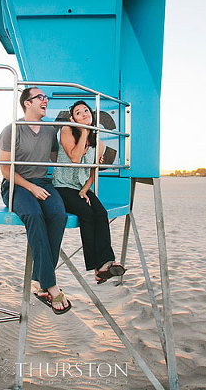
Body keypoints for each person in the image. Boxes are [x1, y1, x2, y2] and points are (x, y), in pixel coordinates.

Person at [0, 87, 71, 315]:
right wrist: (31, 187)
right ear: (27, 103)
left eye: (46, 97)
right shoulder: (12, 129)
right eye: (40, 97)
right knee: (34, 216)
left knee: (59, 214)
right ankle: (51, 285)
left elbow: (58, 158)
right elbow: (6, 170)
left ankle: (39, 279)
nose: (45, 100)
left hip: (42, 183)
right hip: (17, 185)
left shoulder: (49, 131)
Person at [52, 100, 126, 284]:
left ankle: (106, 263)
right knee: (86, 212)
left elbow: (94, 170)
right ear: (72, 118)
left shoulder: (99, 143)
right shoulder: (67, 131)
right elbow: (76, 158)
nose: (84, 113)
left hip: (81, 186)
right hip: (62, 185)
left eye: (86, 110)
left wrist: (85, 190)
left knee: (100, 213)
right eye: (78, 112)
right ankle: (96, 266)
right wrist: (84, 130)